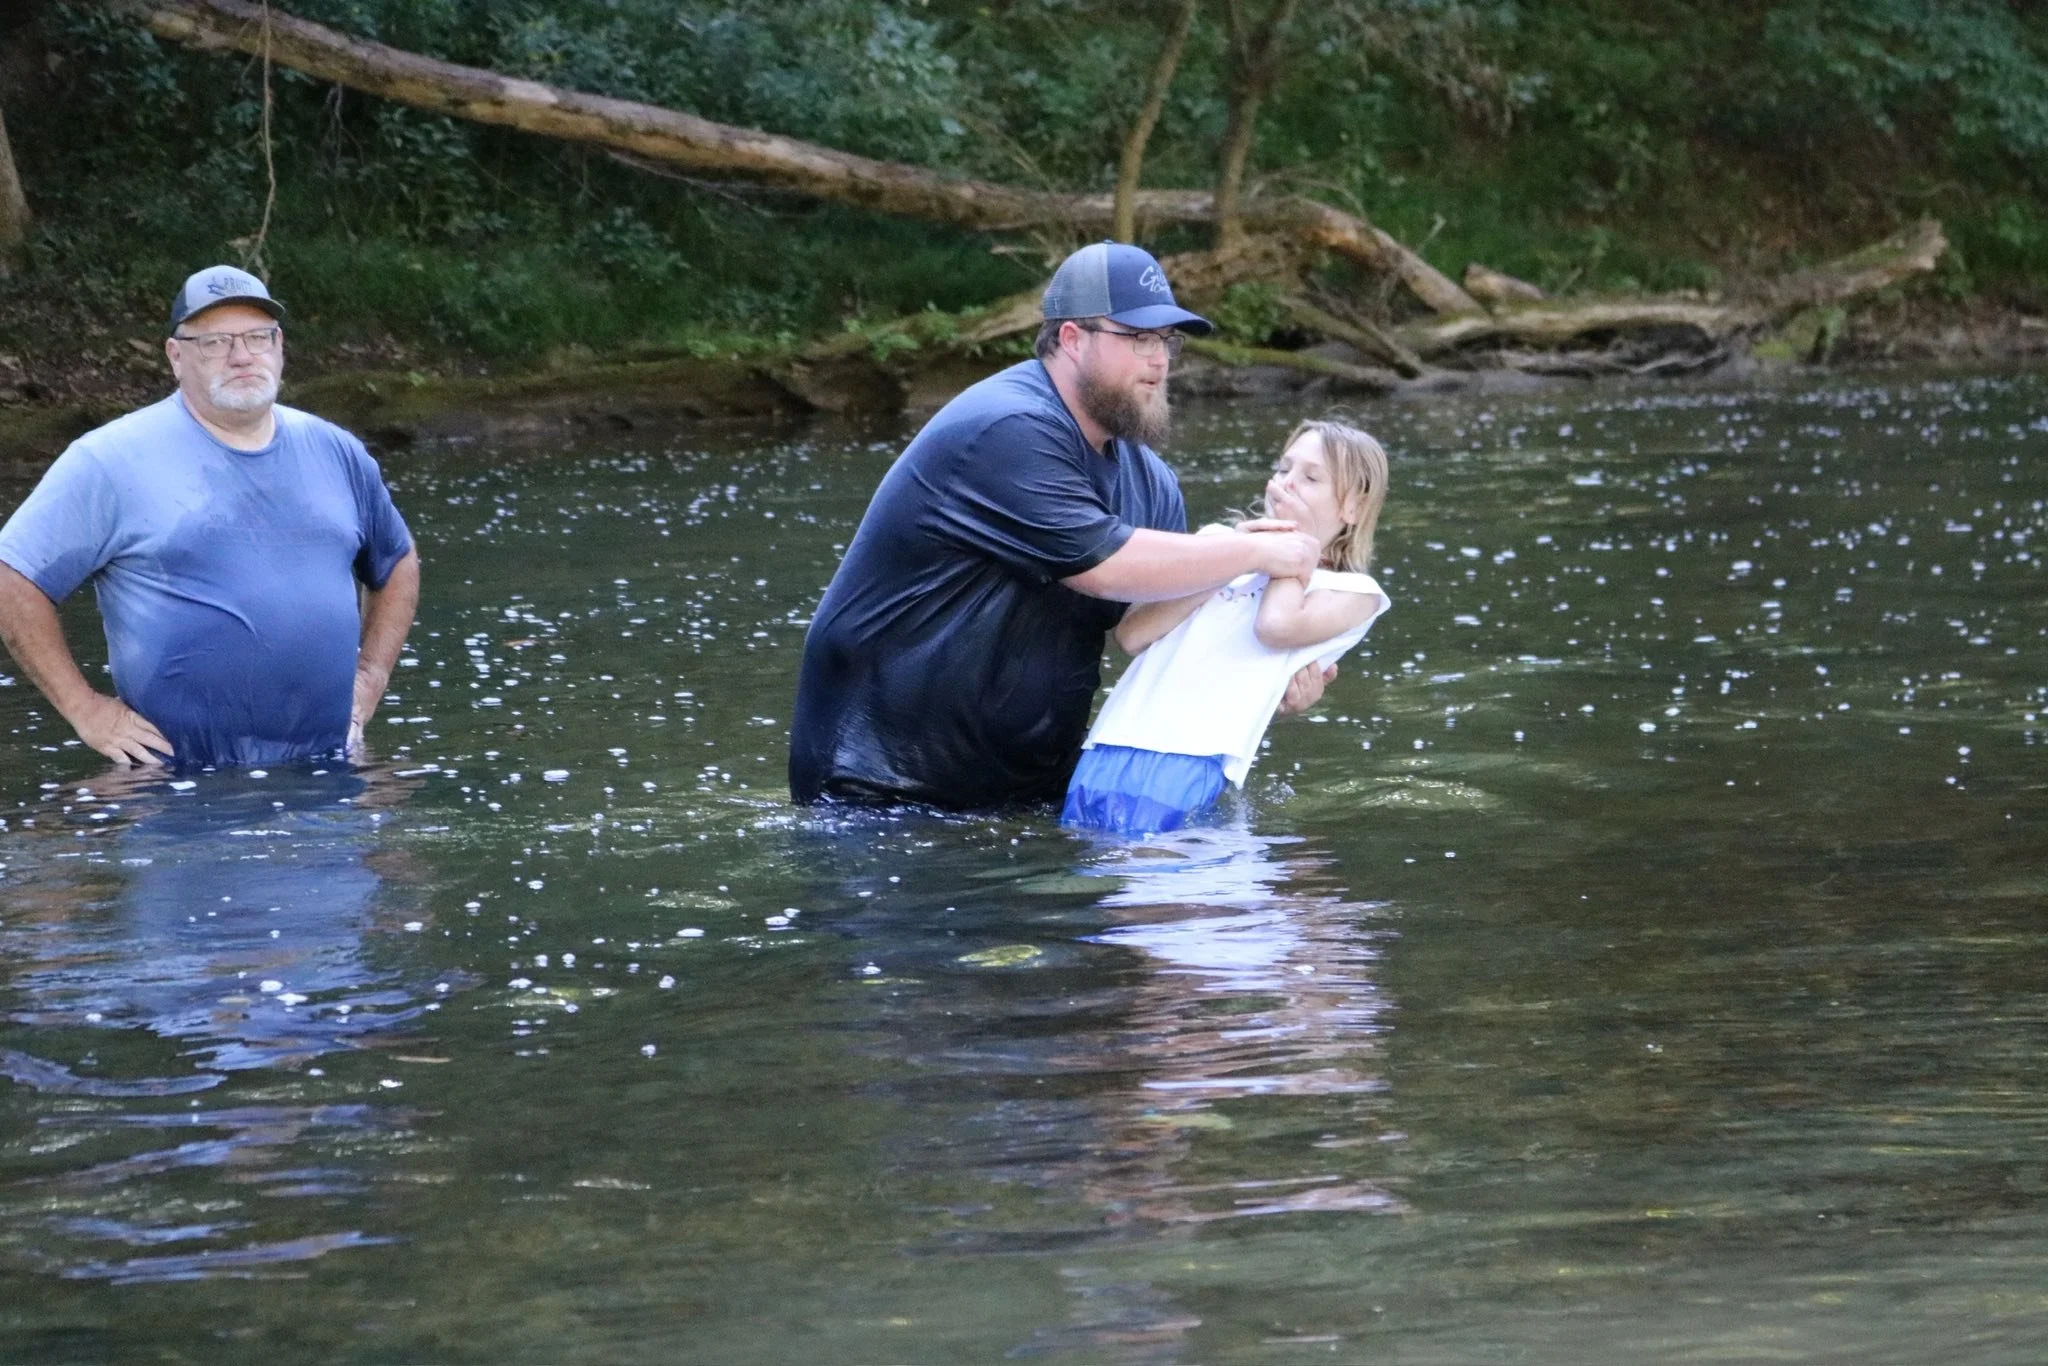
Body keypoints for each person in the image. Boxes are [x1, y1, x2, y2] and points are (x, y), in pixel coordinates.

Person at [789, 241, 1331, 810]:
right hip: (875, 793)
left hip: (1025, 797)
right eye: (1139, 338)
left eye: (1167, 340)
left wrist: (1273, 674)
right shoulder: (1006, 428)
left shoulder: (1151, 482)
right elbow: (1103, 567)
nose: (1160, 360)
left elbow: (1151, 633)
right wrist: (1251, 552)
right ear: (1072, 339)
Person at [0, 264, 418, 768]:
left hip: (329, 769)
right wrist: (86, 710)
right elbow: (13, 576)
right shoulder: (110, 460)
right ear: (176, 357)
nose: (241, 356)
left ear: (279, 345)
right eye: (214, 343)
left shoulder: (337, 452)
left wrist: (370, 677)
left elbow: (396, 562)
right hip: (177, 782)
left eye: (257, 337)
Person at [1062, 420, 1391, 835]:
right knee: (1090, 870)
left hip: (1194, 758)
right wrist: (1236, 556)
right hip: (1110, 742)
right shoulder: (1223, 543)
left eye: (1310, 478)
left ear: (1354, 508)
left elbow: (1274, 626)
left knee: (1152, 881)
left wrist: (1292, 556)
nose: (1285, 484)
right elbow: (1133, 635)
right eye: (1282, 468)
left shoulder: (1355, 592)